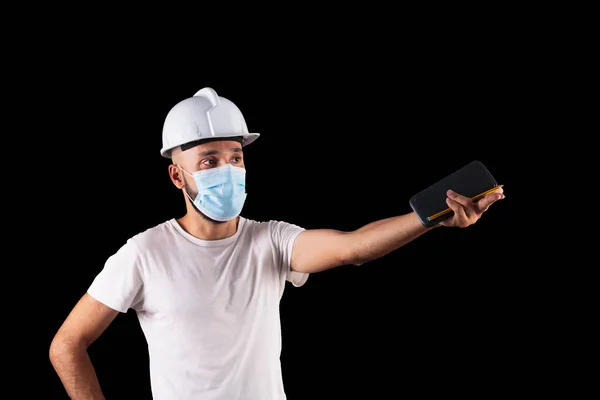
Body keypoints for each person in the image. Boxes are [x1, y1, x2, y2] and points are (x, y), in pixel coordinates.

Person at [49, 87, 505, 399]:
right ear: (176, 175)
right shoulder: (144, 254)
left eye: (236, 157)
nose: (227, 168)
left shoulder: (270, 240)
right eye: (209, 160)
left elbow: (354, 247)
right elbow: (67, 344)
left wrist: (429, 218)